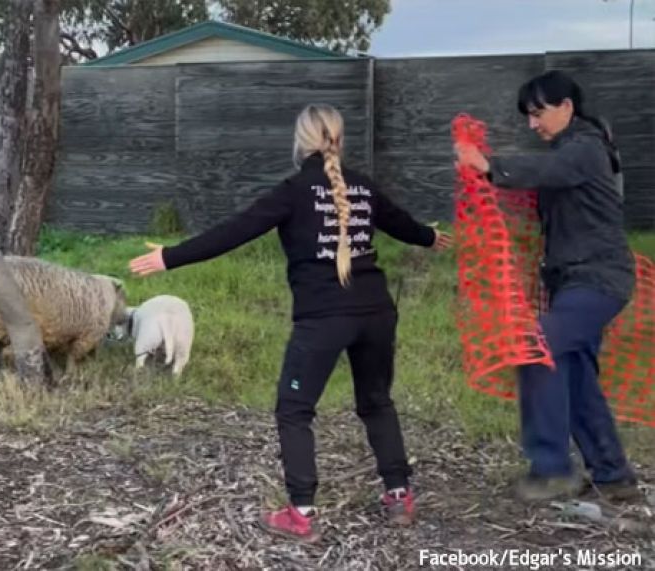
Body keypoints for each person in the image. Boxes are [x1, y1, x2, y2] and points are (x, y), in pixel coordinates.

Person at [129, 103, 452, 542]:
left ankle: (300, 513)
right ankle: (399, 495)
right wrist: (432, 237)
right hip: (376, 314)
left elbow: (234, 230)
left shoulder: (294, 190)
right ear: (339, 137)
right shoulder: (363, 187)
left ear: (301, 141)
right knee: (377, 402)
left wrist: (169, 257)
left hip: (323, 319)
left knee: (294, 410)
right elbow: (405, 225)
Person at [454, 70, 641, 502]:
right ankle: (613, 475)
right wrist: (481, 178)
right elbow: (545, 179)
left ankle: (552, 470)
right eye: (528, 116)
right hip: (575, 280)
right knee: (573, 374)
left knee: (535, 348)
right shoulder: (571, 149)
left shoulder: (585, 147)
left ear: (567, 107)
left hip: (597, 279)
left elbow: (551, 169)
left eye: (539, 113)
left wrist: (489, 165)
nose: (532, 124)